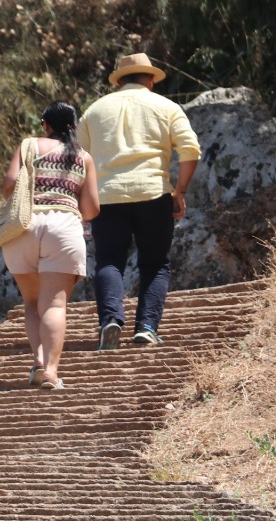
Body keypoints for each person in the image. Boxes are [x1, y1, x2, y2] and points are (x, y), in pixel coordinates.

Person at [79, 52, 200, 349]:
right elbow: (191, 151)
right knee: (155, 263)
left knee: (109, 259)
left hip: (106, 197)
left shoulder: (94, 111)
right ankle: (146, 326)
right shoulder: (166, 106)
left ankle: (110, 320)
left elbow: (78, 160)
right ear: (150, 80)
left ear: (119, 81)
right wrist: (180, 190)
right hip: (153, 193)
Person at [0, 101, 100, 389]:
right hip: (63, 228)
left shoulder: (28, 146)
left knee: (32, 303)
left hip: (24, 227)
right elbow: (91, 209)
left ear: (45, 124)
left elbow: (8, 186)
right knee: (55, 304)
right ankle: (52, 373)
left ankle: (38, 362)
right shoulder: (83, 157)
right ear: (74, 127)